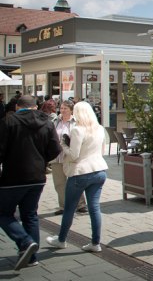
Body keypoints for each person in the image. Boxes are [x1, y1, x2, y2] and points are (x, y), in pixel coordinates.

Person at [0, 95, 61, 270]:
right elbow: (55, 149)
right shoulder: (47, 122)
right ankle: (32, 257)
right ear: (36, 107)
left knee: (3, 213)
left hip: (13, 177)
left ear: (18, 107)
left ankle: (25, 241)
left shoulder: (9, 121)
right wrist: (41, 161)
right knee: (30, 214)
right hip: (37, 177)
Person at [46, 101, 108, 253]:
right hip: (99, 170)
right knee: (94, 208)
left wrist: (64, 145)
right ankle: (95, 242)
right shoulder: (99, 128)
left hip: (80, 172)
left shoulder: (77, 130)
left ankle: (61, 239)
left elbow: (74, 155)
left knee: (69, 208)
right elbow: (102, 150)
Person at [51, 100, 87, 215]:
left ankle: (81, 205)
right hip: (57, 156)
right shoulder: (55, 121)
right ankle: (63, 206)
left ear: (71, 110)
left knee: (75, 181)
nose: (62, 111)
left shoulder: (77, 122)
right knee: (59, 183)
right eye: (61, 108)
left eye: (65, 108)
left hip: (71, 156)